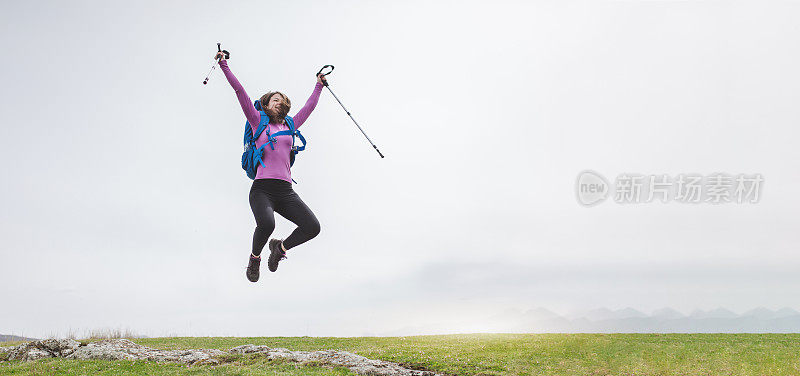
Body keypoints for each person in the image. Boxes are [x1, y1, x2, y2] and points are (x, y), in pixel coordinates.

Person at [216, 51, 324, 282]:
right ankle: (255, 259)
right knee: (267, 223)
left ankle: (280, 248)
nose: (279, 102)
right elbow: (239, 91)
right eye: (274, 99)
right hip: (262, 189)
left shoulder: (291, 125)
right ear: (266, 104)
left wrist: (319, 85)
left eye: (282, 100)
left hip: (285, 191)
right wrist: (224, 64)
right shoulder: (257, 121)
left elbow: (310, 106)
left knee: (312, 227)